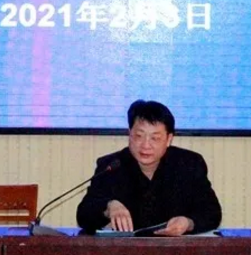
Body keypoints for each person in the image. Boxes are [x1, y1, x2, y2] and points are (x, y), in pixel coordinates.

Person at [75, 100, 222, 235]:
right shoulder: (111, 166)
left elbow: (212, 212)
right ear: (129, 135)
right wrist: (108, 207)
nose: (146, 145)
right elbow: (84, 215)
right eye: (139, 136)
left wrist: (188, 223)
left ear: (169, 139)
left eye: (155, 138)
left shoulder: (189, 164)